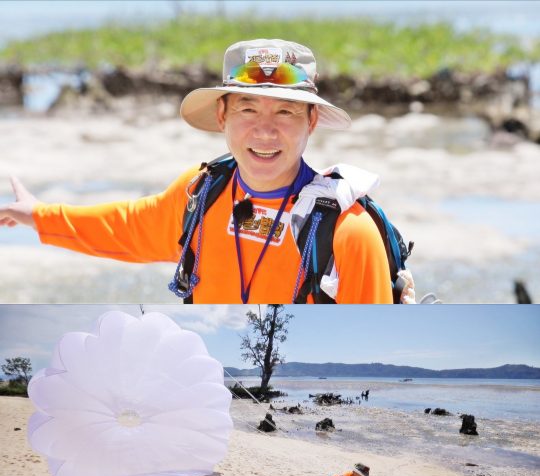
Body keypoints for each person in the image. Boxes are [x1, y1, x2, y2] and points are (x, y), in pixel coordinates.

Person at [0, 39, 394, 304]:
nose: (265, 130)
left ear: (311, 121)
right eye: (248, 108)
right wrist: (37, 215)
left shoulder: (349, 233)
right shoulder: (202, 194)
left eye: (286, 111)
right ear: (222, 115)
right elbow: (126, 227)